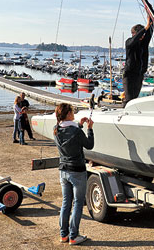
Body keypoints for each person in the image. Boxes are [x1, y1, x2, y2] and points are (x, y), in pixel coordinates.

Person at [54, 103, 94, 246]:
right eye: (72, 111)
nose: (74, 113)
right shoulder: (76, 131)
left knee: (66, 203)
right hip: (77, 171)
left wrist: (80, 125)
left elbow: (70, 137)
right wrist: (89, 129)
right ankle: (73, 236)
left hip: (63, 171)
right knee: (77, 203)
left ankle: (63, 235)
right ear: (68, 114)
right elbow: (89, 144)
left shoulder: (56, 129)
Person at [122, 15, 154, 106]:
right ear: (134, 34)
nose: (143, 36)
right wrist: (145, 28)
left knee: (134, 99)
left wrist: (150, 15)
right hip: (129, 75)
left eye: (143, 35)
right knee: (129, 99)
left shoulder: (143, 43)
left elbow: (150, 31)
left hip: (139, 74)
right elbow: (135, 40)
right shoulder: (129, 42)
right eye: (141, 34)